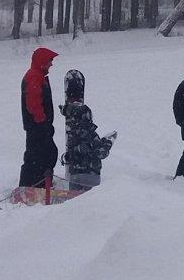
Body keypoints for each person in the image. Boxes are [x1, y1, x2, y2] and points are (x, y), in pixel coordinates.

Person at [60, 69, 115, 191]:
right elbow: (101, 152)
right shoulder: (88, 133)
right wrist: (108, 142)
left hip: (73, 173)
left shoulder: (71, 132)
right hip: (89, 176)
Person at [16, 47, 60, 198]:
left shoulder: (38, 75)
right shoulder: (34, 77)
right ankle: (29, 188)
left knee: (47, 155)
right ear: (42, 62)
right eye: (50, 61)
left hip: (41, 126)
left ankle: (41, 185)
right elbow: (33, 103)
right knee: (36, 158)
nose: (51, 64)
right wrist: (41, 121)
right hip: (37, 127)